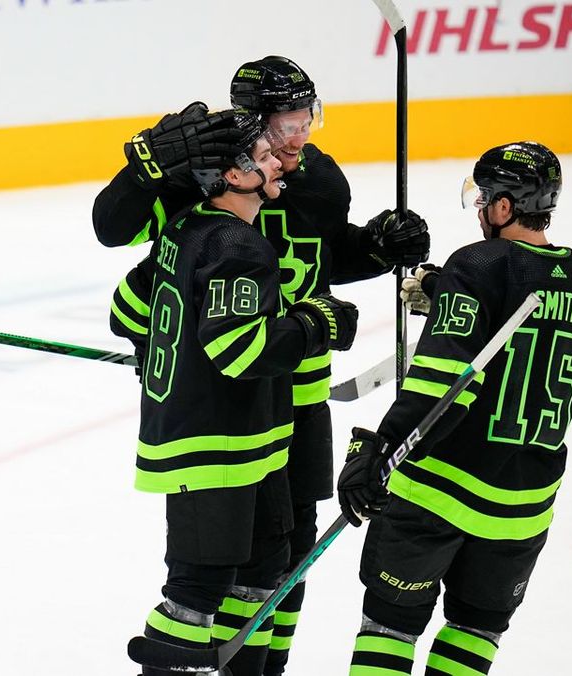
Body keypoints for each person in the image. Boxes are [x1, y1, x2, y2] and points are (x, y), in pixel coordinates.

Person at [99, 55, 430, 674]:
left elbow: (320, 260)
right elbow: (116, 233)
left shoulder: (320, 180)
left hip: (296, 394)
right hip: (227, 400)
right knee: (218, 561)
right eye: (284, 123)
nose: (299, 135)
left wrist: (376, 248)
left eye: (308, 116)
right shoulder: (199, 178)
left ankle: (257, 668)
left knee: (285, 550)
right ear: (250, 126)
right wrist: (142, 171)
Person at [337, 142, 572, 675]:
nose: (480, 209)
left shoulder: (477, 263)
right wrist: (451, 293)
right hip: (524, 503)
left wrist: (379, 449)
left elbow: (441, 382)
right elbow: (531, 325)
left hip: (439, 489)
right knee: (476, 629)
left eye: (483, 198)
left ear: (504, 207)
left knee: (389, 625)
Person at [123, 107, 359, 676]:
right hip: (215, 449)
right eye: (262, 158)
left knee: (260, 575)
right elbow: (240, 351)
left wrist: (165, 344)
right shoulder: (238, 246)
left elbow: (125, 308)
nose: (279, 162)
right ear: (232, 175)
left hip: (250, 446)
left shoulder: (186, 231)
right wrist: (315, 322)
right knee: (198, 590)